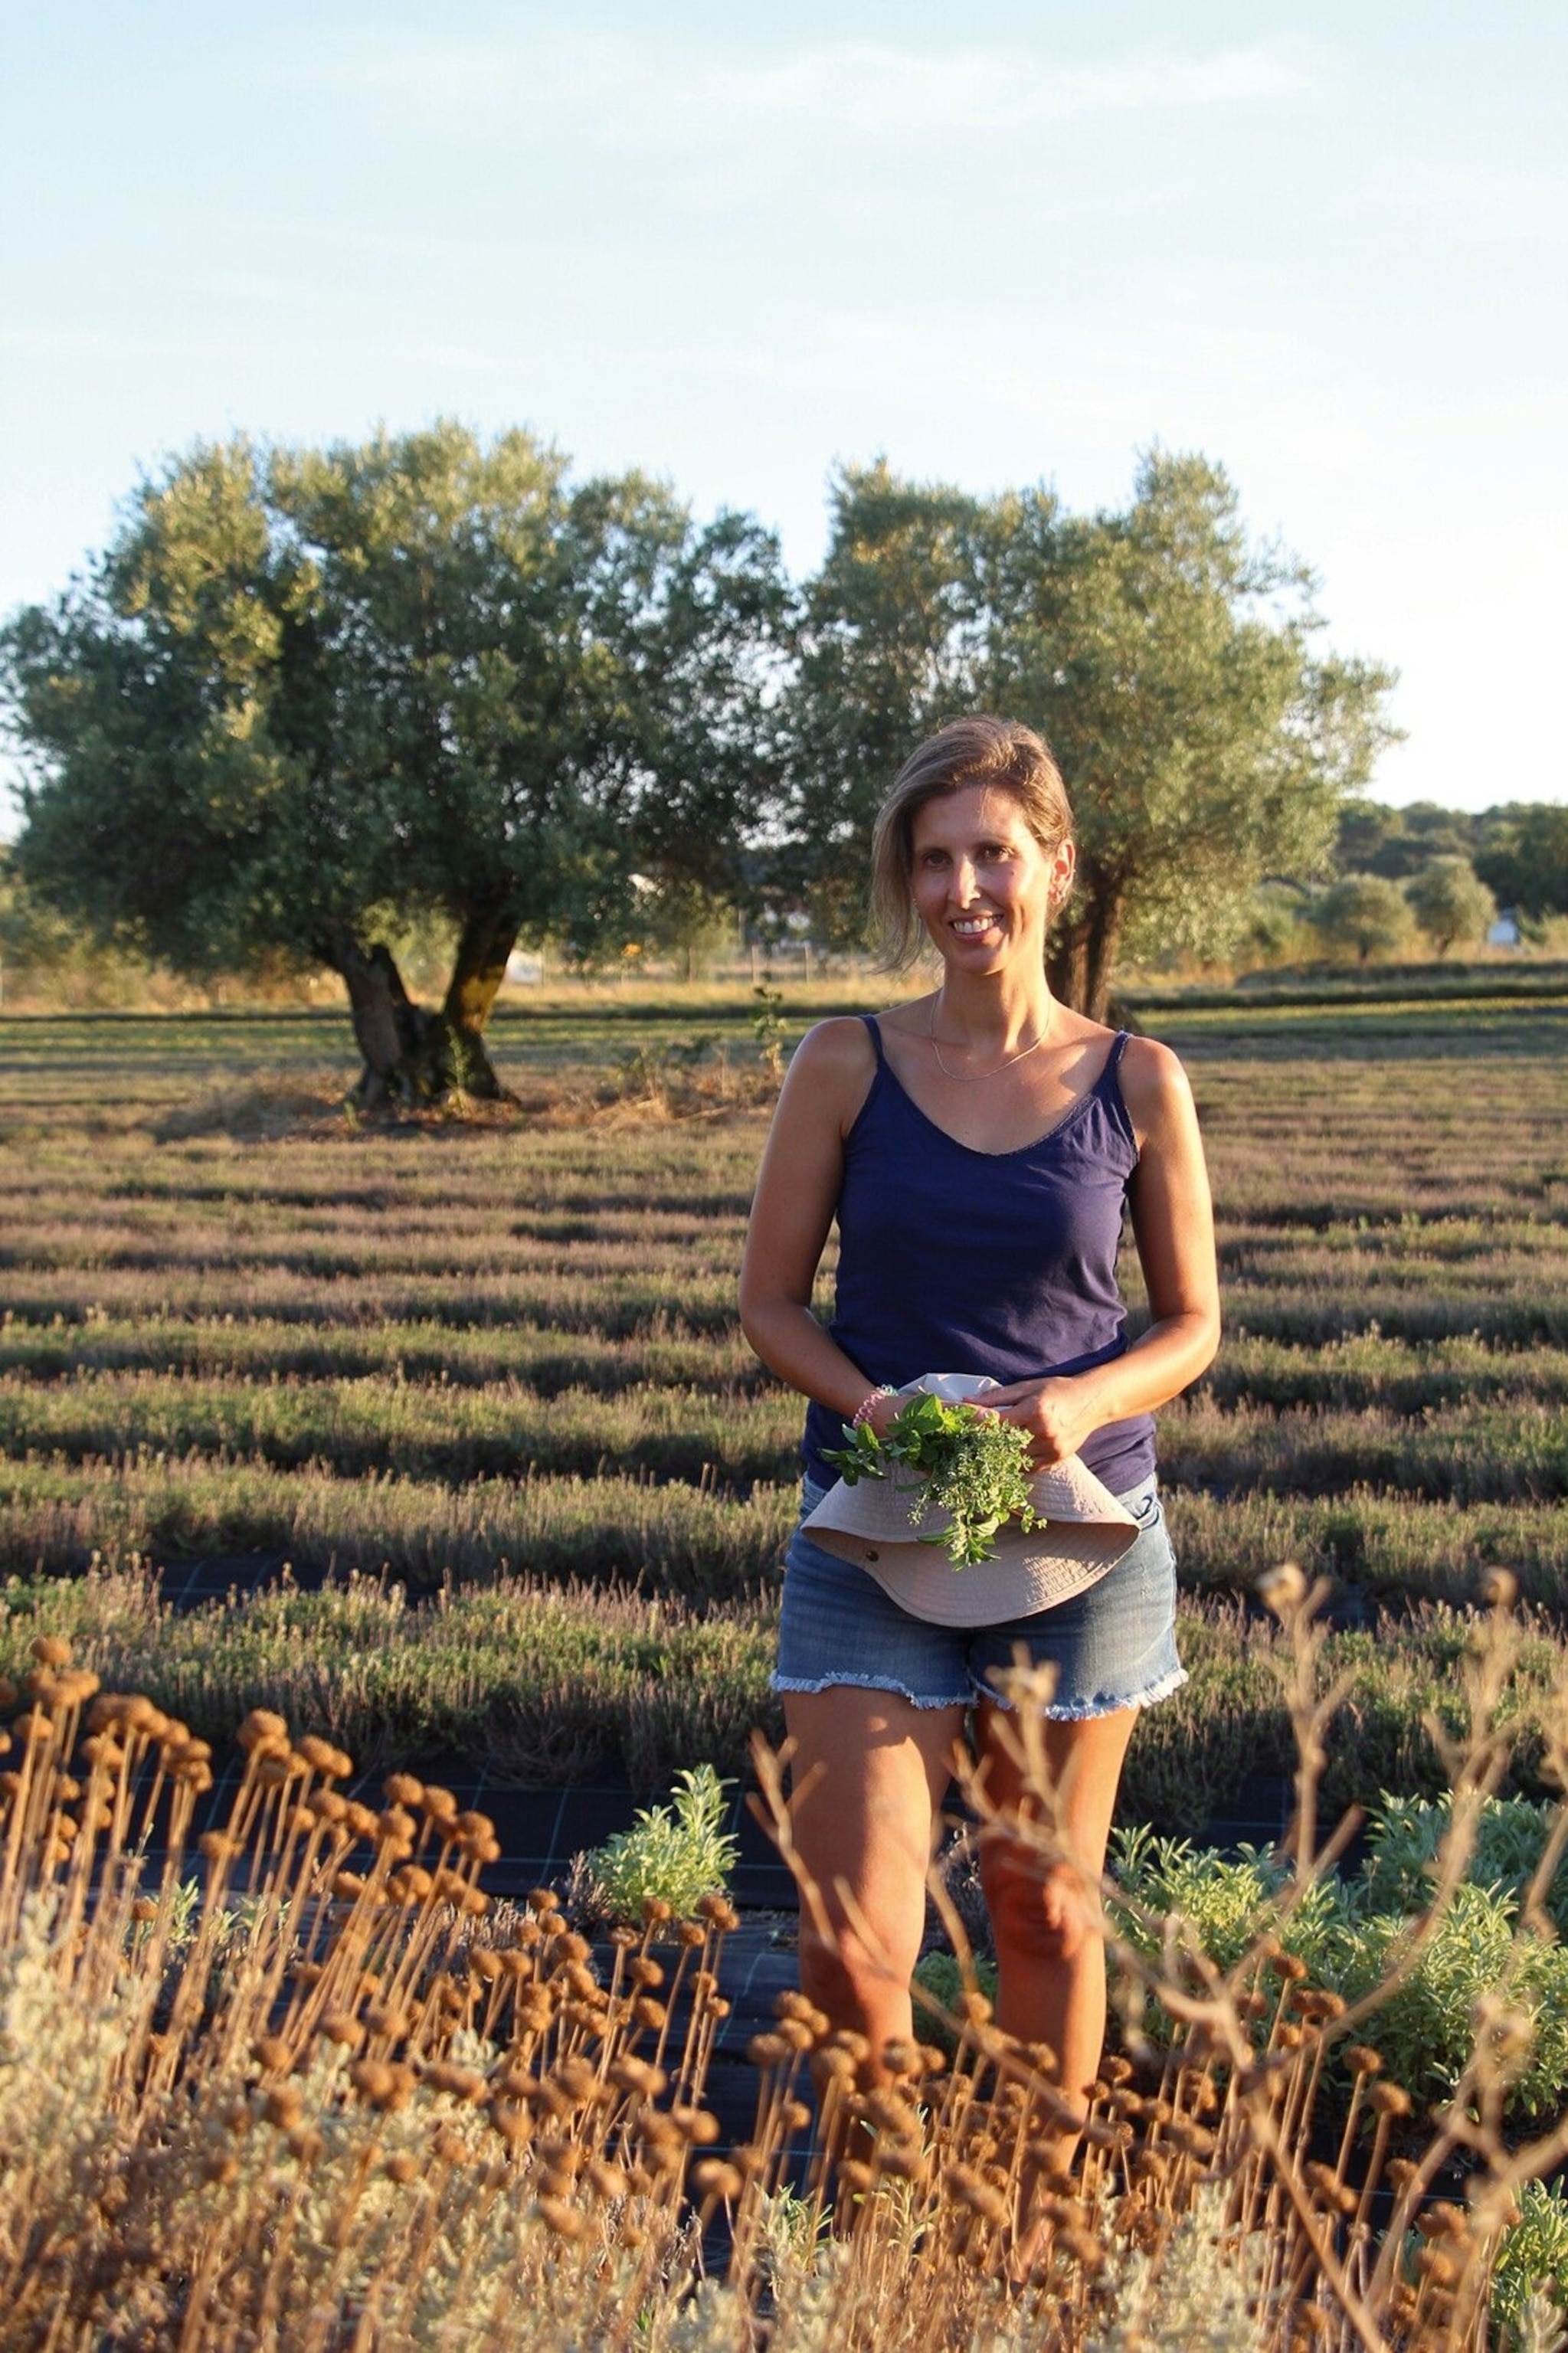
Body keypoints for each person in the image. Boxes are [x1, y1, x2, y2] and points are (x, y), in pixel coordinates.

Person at [738, 714, 1219, 2175]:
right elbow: (770, 1306)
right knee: (854, 1947)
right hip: (873, 1540)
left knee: (1043, 1907)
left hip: (1081, 1545)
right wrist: (877, 1409)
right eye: (933, 861)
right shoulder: (844, 1062)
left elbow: (1192, 1326)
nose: (964, 892)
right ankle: (876, 2252)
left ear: (1053, 869)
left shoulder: (1139, 1080)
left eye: (993, 856)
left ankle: (1030, 2232)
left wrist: (1078, 1405)